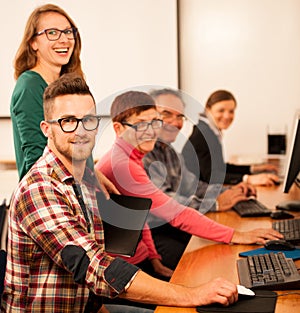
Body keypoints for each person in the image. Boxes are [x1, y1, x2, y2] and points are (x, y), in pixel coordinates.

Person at [1, 74, 241, 312]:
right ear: (46, 129)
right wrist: (193, 294)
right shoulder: (40, 188)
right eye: (67, 121)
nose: (81, 131)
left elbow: (136, 216)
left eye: (88, 120)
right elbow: (94, 266)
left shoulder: (86, 178)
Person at [95, 90, 282, 270]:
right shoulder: (123, 164)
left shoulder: (131, 156)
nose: (151, 131)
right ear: (118, 129)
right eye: (141, 124)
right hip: (123, 265)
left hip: (138, 253)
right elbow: (175, 214)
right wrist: (237, 235)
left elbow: (140, 212)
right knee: (210, 262)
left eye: (154, 122)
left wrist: (154, 259)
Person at [142, 88, 266, 267]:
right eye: (166, 114)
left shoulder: (170, 152)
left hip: (174, 225)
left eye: (180, 117)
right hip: (154, 234)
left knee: (228, 250)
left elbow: (194, 185)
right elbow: (168, 204)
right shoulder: (143, 155)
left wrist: (228, 190)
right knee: (208, 259)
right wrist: (214, 204)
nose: (175, 122)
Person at [10, 3, 115, 197]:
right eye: (52, 33)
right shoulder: (30, 85)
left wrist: (94, 174)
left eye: (68, 31)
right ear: (33, 42)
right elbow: (36, 157)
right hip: (51, 197)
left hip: (77, 193)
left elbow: (72, 148)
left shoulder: (64, 83)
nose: (64, 39)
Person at [182, 89, 280, 186]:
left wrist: (253, 168)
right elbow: (211, 176)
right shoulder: (203, 134)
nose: (227, 116)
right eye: (221, 110)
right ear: (208, 110)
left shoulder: (209, 130)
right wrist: (248, 179)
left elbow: (220, 167)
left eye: (231, 111)